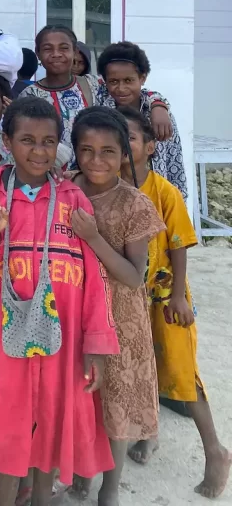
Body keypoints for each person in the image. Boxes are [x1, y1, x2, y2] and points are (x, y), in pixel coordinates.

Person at [0, 98, 119, 506]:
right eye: (27, 140)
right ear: (6, 142)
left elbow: (94, 278)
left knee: (52, 418)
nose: (39, 151)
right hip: (9, 334)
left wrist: (96, 345)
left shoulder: (73, 200)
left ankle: (40, 498)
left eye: (48, 141)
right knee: (11, 424)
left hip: (64, 335)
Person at [119, 107, 231, 499]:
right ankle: (148, 433)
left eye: (130, 138)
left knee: (181, 373)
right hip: (126, 298)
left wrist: (180, 294)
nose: (122, 146)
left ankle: (215, 450)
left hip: (165, 295)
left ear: (150, 147)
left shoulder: (163, 191)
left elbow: (179, 245)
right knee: (142, 367)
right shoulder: (108, 187)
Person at [69, 107, 164, 506]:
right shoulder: (65, 189)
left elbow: (133, 276)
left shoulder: (133, 204)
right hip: (73, 311)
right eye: (86, 150)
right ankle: (80, 475)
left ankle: (109, 488)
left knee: (115, 403)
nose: (96, 160)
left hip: (119, 317)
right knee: (81, 399)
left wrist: (93, 237)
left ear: (124, 154)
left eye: (108, 151)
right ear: (74, 150)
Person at [97, 41, 187, 197]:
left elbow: (174, 161)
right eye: (113, 81)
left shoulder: (160, 117)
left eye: (128, 80)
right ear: (105, 81)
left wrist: (180, 199)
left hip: (156, 198)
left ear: (142, 78)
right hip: (111, 197)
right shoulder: (100, 115)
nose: (121, 88)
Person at [18, 26, 98, 165]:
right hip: (49, 174)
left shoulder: (93, 85)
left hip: (93, 172)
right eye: (48, 49)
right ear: (38, 53)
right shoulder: (29, 96)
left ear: (75, 51)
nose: (56, 54)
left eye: (64, 48)